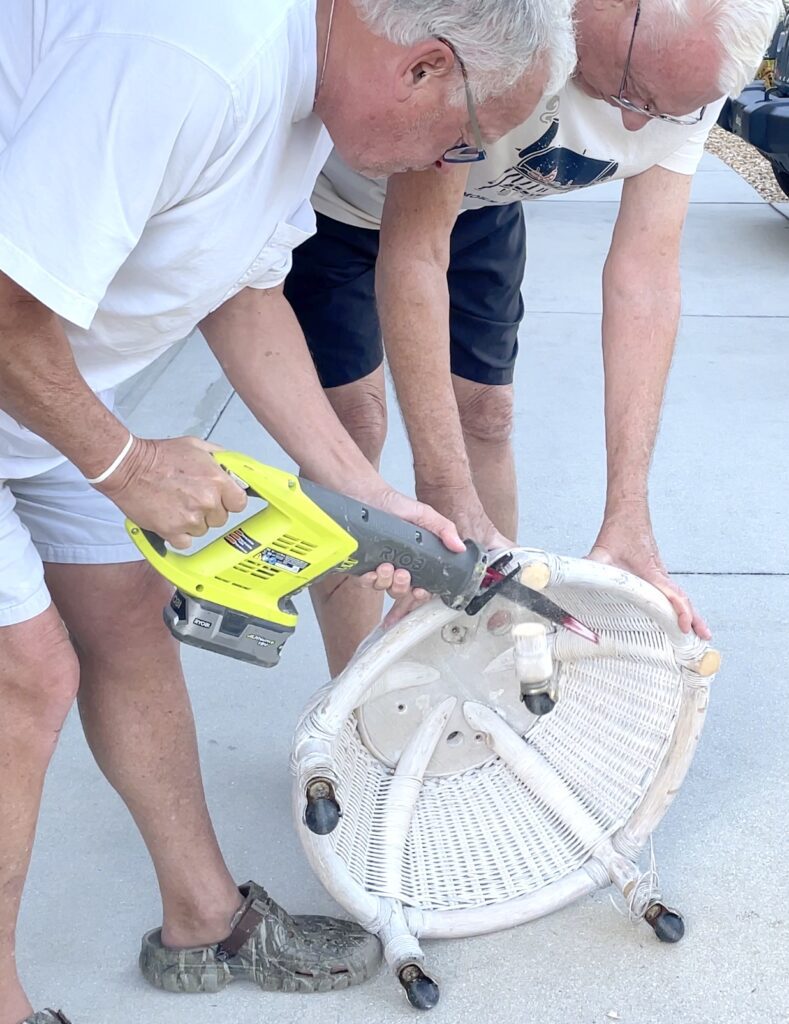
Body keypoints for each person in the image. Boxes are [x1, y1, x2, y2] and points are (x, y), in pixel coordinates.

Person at [0, 1, 567, 1021]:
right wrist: (127, 463)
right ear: (425, 68)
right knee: (27, 672)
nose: (452, 168)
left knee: (126, 610)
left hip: (41, 386)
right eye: (466, 144)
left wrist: (371, 490)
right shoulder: (193, 53)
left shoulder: (300, 95)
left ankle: (204, 919)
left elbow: (243, 293)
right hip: (22, 359)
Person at [285, 0, 784, 675]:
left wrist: (626, 512)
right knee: (353, 430)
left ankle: (487, 666)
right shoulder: (513, 29)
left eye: (665, 111)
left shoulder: (684, 80)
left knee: (487, 415)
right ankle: (359, 694)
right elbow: (414, 255)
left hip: (482, 207)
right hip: (344, 207)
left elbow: (645, 276)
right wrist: (446, 498)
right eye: (634, 92)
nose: (634, 123)